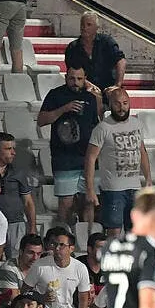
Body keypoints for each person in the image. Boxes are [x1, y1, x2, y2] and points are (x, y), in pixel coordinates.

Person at [38, 65, 102, 228]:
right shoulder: (56, 95)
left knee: (88, 202)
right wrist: (64, 109)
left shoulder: (91, 98)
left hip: (88, 159)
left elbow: (97, 124)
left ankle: (85, 244)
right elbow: (42, 120)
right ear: (66, 77)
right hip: (64, 159)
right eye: (72, 78)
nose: (75, 82)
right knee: (66, 205)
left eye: (79, 79)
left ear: (85, 78)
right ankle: (64, 240)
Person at [85, 89, 151, 237]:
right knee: (113, 230)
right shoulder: (102, 128)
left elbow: (142, 151)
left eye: (125, 103)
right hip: (113, 189)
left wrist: (148, 179)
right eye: (117, 104)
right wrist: (90, 189)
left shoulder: (137, 124)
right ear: (111, 105)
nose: (122, 108)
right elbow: (90, 158)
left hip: (135, 186)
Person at [24, 227, 91, 308]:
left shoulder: (80, 268)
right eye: (54, 244)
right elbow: (24, 291)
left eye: (61, 245)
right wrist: (41, 298)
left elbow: (84, 300)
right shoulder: (40, 265)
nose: (57, 248)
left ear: (71, 248)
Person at [0, 132, 36, 257]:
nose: (13, 152)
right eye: (8, 149)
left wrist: (32, 229)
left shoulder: (19, 172)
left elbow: (28, 202)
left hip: (15, 224)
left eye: (13, 148)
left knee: (15, 261)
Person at [64, 12, 126, 93]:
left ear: (96, 27)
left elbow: (121, 61)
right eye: (82, 25)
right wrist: (86, 84)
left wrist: (118, 84)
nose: (84, 28)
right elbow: (72, 72)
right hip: (83, 89)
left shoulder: (106, 42)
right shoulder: (73, 47)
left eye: (88, 25)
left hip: (108, 87)